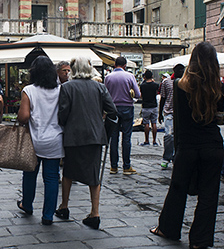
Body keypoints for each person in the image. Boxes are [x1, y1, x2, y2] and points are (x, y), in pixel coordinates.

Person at [150, 43, 224, 249]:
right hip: (213, 144)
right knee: (209, 194)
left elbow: (180, 120)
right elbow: (219, 119)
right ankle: (200, 240)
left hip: (189, 144)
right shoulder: (218, 86)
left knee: (178, 188)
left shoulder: (181, 85)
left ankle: (168, 228)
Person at [57, 56, 117, 230]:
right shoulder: (100, 87)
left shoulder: (66, 87)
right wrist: (101, 124)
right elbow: (112, 111)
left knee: (68, 171)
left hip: (73, 136)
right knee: (94, 174)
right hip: (95, 136)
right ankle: (95, 212)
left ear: (74, 70)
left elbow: (62, 114)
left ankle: (64, 207)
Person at [17, 56, 64, 225]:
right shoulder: (60, 90)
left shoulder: (29, 90)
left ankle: (27, 205)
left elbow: (23, 117)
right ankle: (48, 215)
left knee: (29, 174)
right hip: (56, 140)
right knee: (51, 178)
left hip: (34, 140)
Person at [104, 56, 140, 175]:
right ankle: (126, 166)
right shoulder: (130, 76)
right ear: (125, 65)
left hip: (112, 109)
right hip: (127, 108)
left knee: (113, 138)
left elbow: (105, 94)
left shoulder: (108, 77)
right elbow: (138, 95)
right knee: (126, 138)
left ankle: (113, 167)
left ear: (115, 65)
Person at [159, 63, 185, 169]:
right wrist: (160, 113)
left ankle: (178, 157)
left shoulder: (186, 82)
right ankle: (166, 157)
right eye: (178, 70)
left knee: (180, 136)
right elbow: (163, 98)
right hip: (169, 111)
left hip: (182, 113)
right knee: (169, 136)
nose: (180, 72)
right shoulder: (166, 82)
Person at [139, 69, 160, 146]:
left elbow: (140, 96)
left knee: (146, 123)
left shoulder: (142, 86)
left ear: (144, 77)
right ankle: (154, 141)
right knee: (154, 123)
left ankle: (147, 140)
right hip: (153, 105)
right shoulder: (155, 85)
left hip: (145, 106)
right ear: (152, 76)